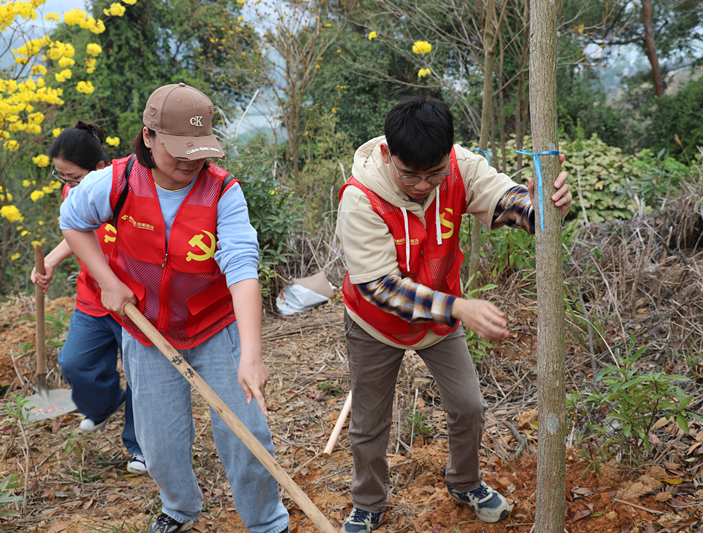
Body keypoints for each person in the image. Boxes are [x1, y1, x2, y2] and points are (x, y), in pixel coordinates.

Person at [60, 83, 290, 533]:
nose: (189, 161)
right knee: (158, 443)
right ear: (148, 137)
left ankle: (267, 522)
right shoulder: (115, 182)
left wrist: (251, 354)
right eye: (178, 149)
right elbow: (73, 223)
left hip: (214, 327)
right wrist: (108, 282)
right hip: (147, 330)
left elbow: (242, 268)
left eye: (198, 150)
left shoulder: (222, 192)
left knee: (246, 433)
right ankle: (179, 507)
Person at [335, 97, 573, 533]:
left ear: (448, 155)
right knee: (369, 423)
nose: (422, 185)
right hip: (375, 323)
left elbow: (502, 198)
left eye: (434, 174)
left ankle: (465, 483)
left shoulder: (460, 167)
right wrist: (460, 307)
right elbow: (380, 288)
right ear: (387, 154)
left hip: (440, 319)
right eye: (410, 175)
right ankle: (368, 503)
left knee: (469, 407)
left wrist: (541, 205)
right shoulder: (360, 198)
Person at [32, 121, 146, 476]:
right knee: (74, 362)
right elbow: (78, 232)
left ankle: (140, 445)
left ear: (99, 168)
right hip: (93, 296)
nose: (68, 186)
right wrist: (50, 261)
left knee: (141, 377)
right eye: (62, 178)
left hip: (133, 301)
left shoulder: (128, 188)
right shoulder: (73, 191)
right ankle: (105, 403)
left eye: (74, 178)